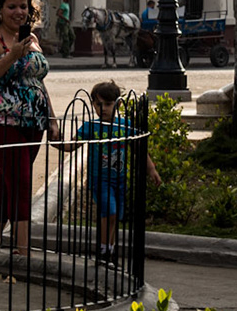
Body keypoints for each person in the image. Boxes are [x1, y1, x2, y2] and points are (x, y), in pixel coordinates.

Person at [0, 0, 61, 257]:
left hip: (33, 122)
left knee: (8, 178)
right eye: (12, 7)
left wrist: (52, 118)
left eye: (23, 6)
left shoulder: (31, 39)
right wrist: (11, 56)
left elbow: (38, 81)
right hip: (0, 121)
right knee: (21, 180)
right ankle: (23, 250)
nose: (18, 12)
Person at [58, 80, 160, 265]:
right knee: (109, 212)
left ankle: (109, 252)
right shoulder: (91, 127)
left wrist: (151, 169)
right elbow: (71, 146)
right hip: (100, 179)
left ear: (118, 104)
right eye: (98, 104)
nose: (102, 108)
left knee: (115, 216)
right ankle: (103, 252)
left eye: (107, 104)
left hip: (120, 179)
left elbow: (139, 148)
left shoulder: (124, 125)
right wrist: (56, 140)